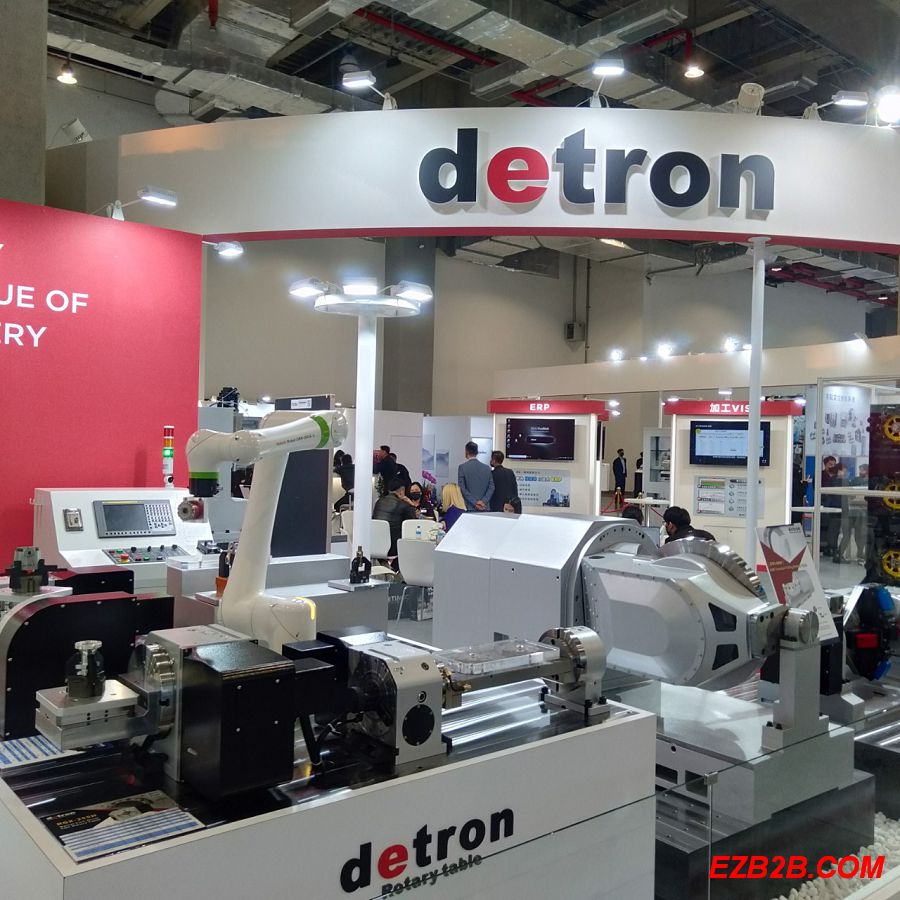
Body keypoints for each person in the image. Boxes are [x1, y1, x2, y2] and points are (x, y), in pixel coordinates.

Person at [372, 477, 417, 557]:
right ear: (402, 491)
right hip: (394, 547)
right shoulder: (403, 505)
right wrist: (412, 505)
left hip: (376, 544)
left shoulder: (379, 502)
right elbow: (413, 524)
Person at [458, 441, 494, 511]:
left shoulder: (462, 467)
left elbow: (462, 488)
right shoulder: (487, 468)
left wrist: (475, 503)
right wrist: (483, 501)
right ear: (477, 452)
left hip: (469, 507)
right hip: (484, 507)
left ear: (466, 451)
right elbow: (491, 487)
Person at [820, 455, 840, 555]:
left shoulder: (837, 477)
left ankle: (832, 547)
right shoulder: (821, 475)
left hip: (835, 505)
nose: (832, 466)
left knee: (834, 528)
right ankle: (823, 547)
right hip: (824, 505)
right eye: (830, 464)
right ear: (825, 465)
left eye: (834, 464)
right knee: (824, 527)